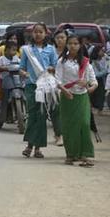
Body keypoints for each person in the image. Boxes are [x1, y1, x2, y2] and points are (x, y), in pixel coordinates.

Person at [56, 34, 98, 166]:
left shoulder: (85, 62)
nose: (73, 46)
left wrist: (88, 86)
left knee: (85, 124)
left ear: (80, 45)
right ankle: (71, 155)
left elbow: (94, 82)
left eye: (76, 43)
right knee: (69, 126)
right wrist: (64, 91)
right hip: (67, 97)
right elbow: (57, 80)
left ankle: (86, 154)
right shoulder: (62, 62)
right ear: (67, 45)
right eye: (70, 43)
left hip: (82, 98)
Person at [20, 22, 59, 159]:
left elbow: (56, 67)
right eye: (35, 31)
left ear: (45, 33)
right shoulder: (26, 50)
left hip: (46, 86)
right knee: (33, 114)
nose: (38, 34)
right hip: (32, 86)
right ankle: (30, 145)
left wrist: (50, 70)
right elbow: (22, 67)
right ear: (32, 33)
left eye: (40, 31)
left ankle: (36, 148)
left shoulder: (51, 50)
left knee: (42, 116)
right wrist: (24, 73)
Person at [50, 28, 68, 146]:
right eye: (58, 38)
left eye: (63, 38)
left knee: (67, 111)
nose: (60, 40)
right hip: (53, 84)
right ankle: (58, 135)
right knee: (55, 110)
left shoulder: (71, 51)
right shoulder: (51, 51)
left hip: (69, 85)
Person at [90, 45, 108, 115]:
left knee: (101, 95)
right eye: (101, 51)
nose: (103, 52)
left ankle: (100, 109)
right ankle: (97, 109)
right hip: (96, 80)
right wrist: (105, 71)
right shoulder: (94, 62)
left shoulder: (105, 58)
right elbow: (95, 74)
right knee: (96, 95)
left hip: (103, 80)